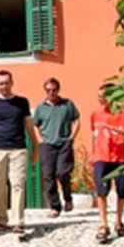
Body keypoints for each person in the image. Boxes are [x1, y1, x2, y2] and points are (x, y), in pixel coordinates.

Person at [0, 70, 41, 234]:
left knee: (18, 184)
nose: (4, 86)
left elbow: (29, 126)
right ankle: (1, 219)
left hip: (18, 148)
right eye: (0, 83)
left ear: (12, 83)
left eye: (6, 83)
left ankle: (17, 221)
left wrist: (35, 147)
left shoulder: (22, 102)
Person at [91, 83, 124, 242]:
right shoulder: (96, 113)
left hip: (121, 157)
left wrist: (111, 127)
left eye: (102, 96)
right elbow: (95, 133)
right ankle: (103, 224)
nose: (99, 99)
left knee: (122, 191)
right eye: (98, 96)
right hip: (101, 156)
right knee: (101, 191)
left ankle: (119, 221)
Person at [32, 77, 80, 218]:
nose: (51, 93)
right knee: (48, 176)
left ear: (58, 90)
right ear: (45, 91)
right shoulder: (41, 108)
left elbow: (76, 120)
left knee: (63, 172)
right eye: (48, 90)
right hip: (47, 144)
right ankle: (55, 207)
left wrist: (72, 137)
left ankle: (67, 198)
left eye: (54, 90)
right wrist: (40, 140)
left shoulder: (67, 104)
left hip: (64, 142)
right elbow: (35, 124)